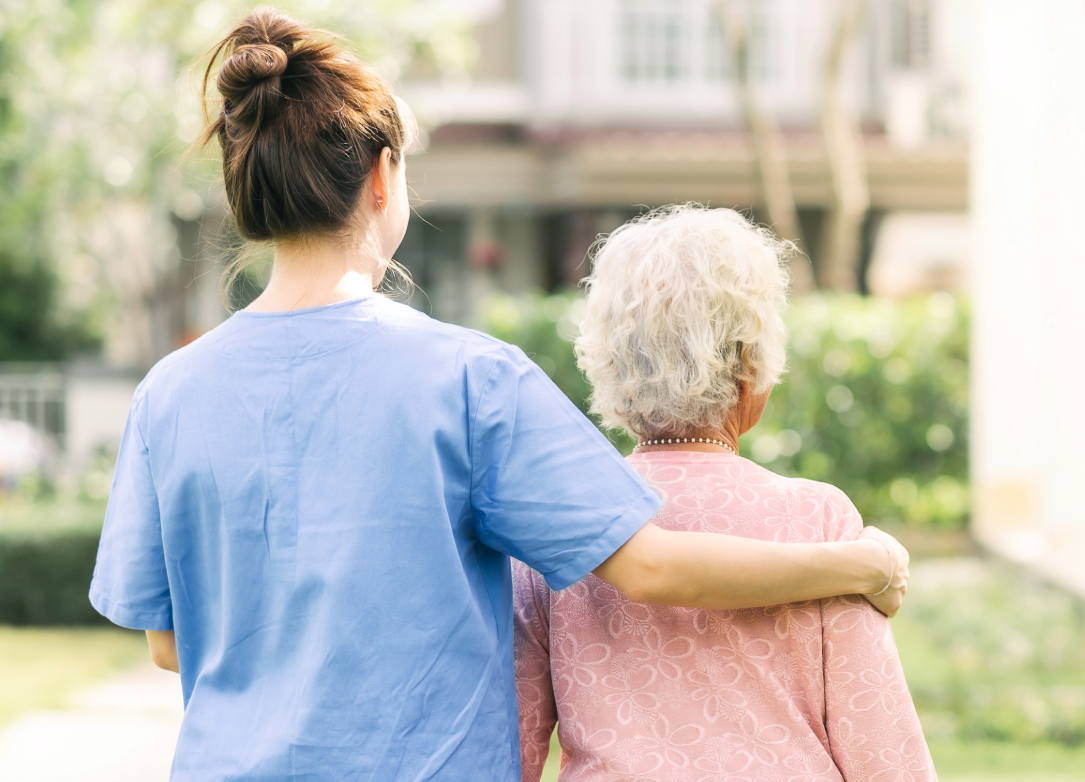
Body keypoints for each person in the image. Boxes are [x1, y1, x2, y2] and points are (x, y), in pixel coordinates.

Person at [86, 10, 908, 781]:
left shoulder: (169, 394)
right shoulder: (470, 380)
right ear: (382, 177)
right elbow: (652, 566)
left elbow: (169, 642)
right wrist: (854, 563)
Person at [513, 206, 936, 781]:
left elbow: (511, 747)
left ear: (608, 363)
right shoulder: (818, 518)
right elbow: (884, 752)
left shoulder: (557, 523)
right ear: (750, 365)